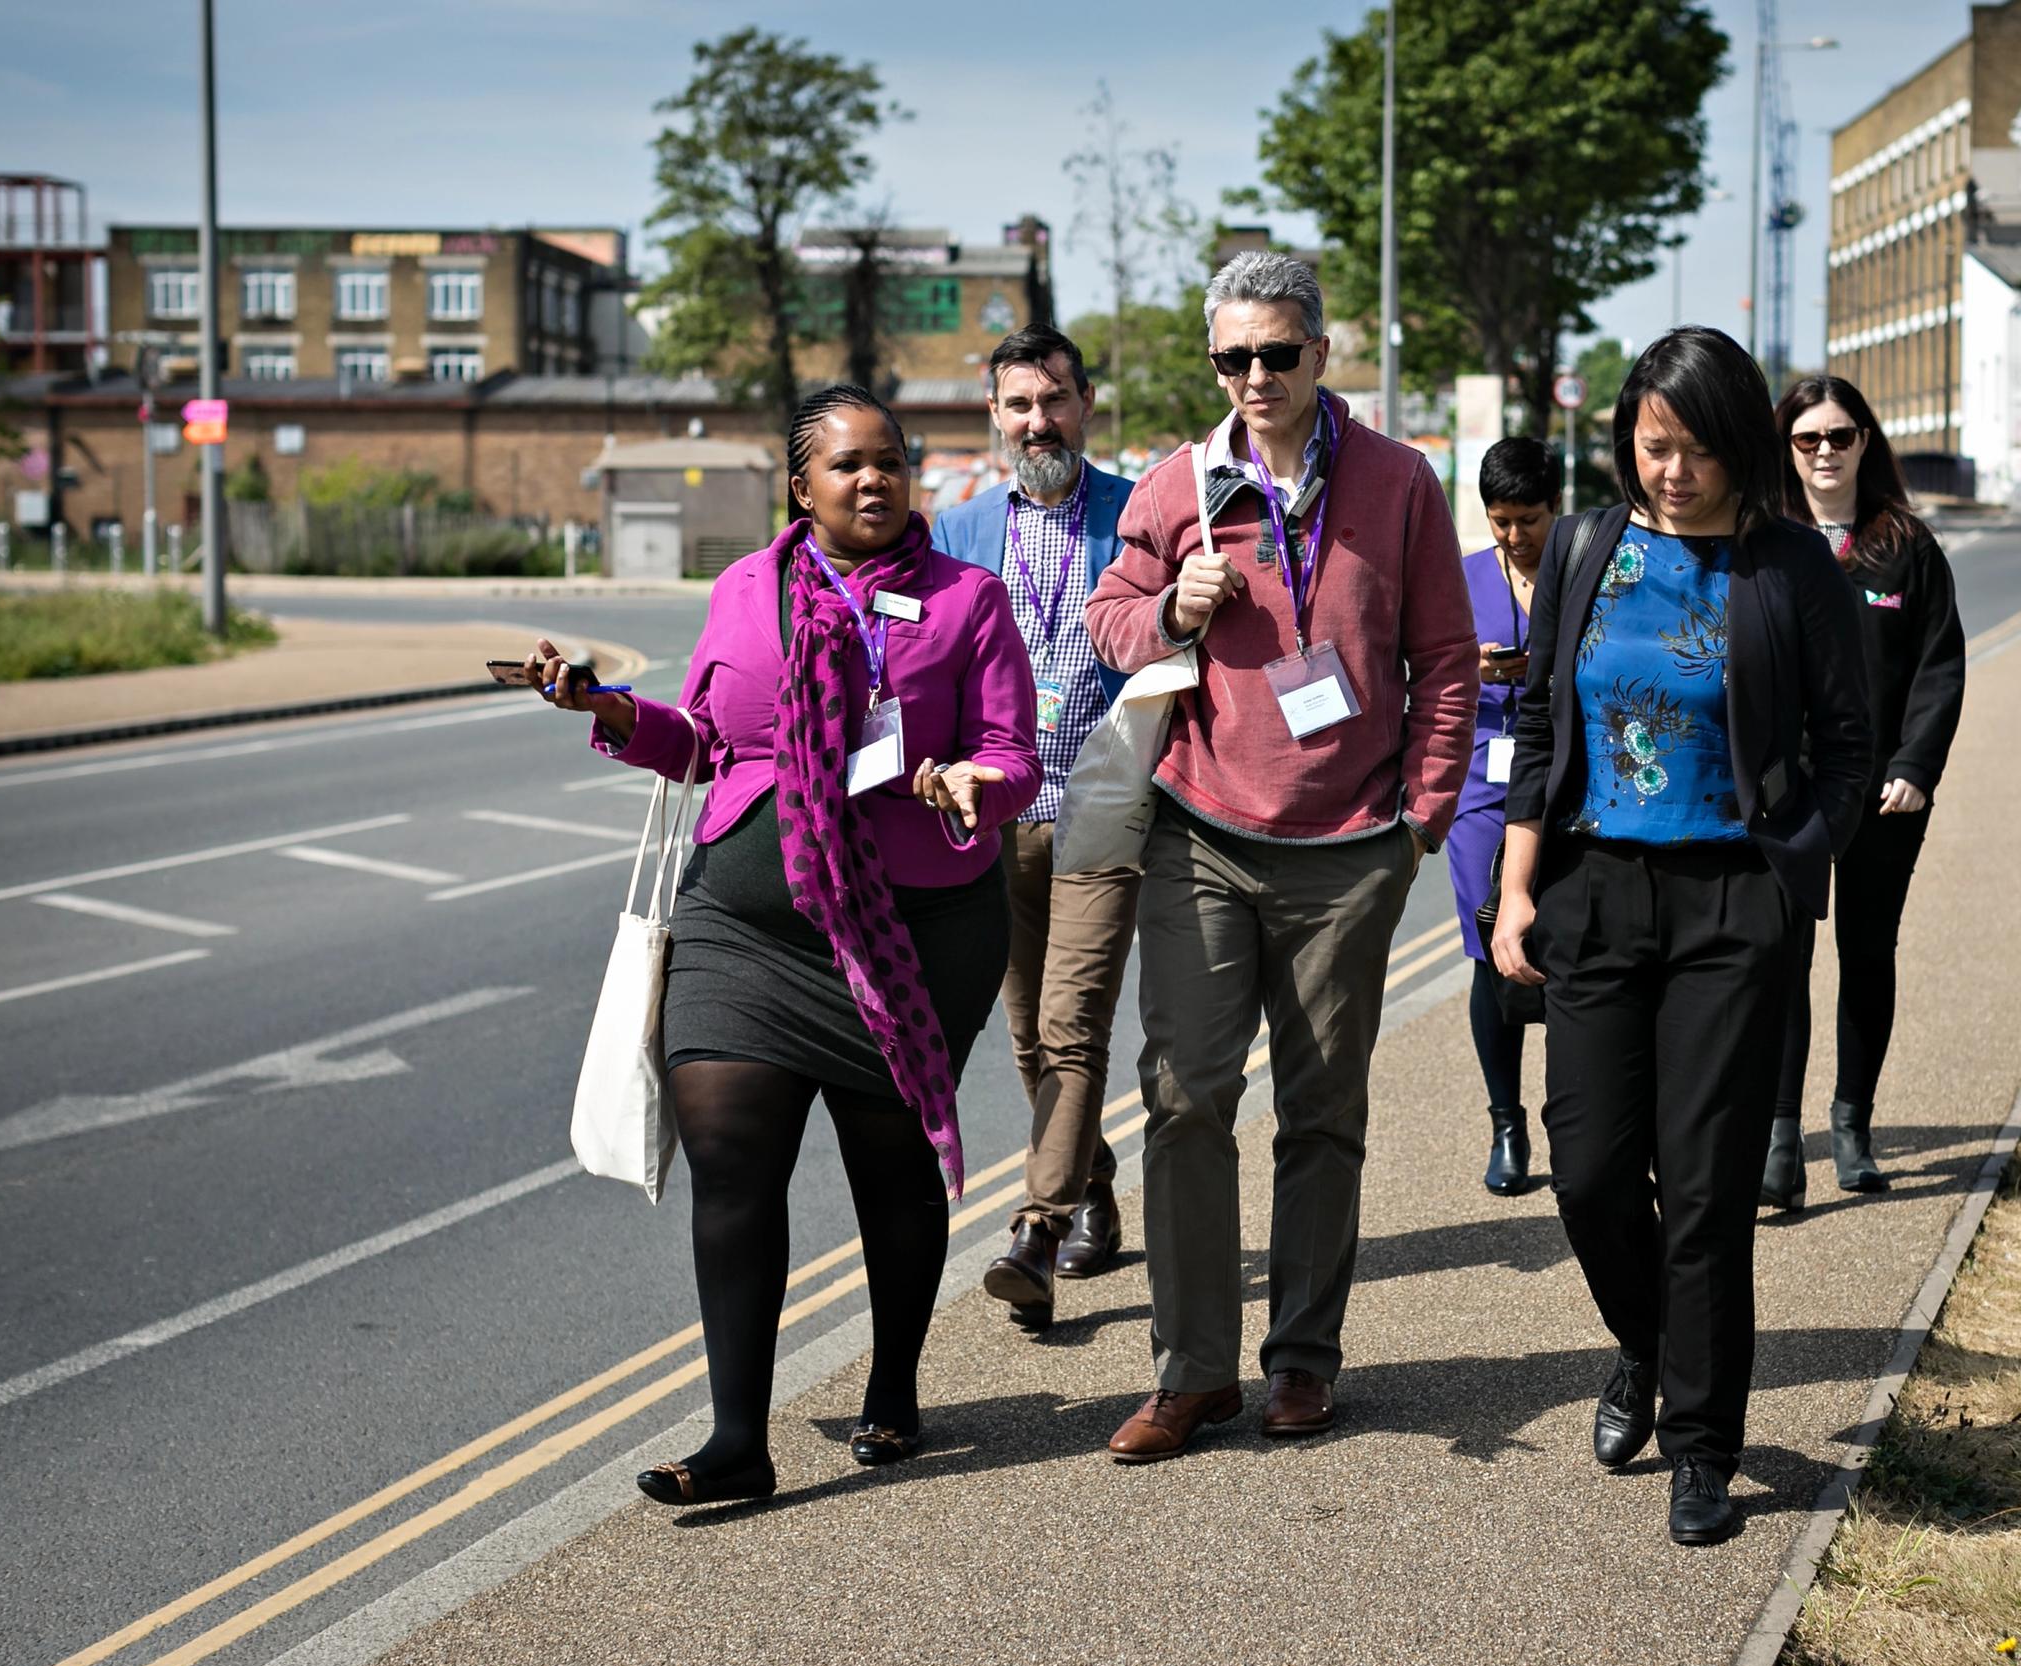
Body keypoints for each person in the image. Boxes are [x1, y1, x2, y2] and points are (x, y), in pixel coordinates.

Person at [525, 384, 1042, 1506]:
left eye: (890, 463)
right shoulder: (746, 588)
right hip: (742, 928)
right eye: (849, 465)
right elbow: (706, 741)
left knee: (890, 1171)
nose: (874, 481)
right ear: (799, 486)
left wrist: (973, 780)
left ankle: (895, 1382)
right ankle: (734, 1439)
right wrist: (609, 710)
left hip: (910, 935)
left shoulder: (967, 598)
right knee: (729, 1148)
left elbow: (1016, 754)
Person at [1084, 249, 1477, 1463]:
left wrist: (1420, 814)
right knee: (1185, 1095)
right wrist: (1171, 611)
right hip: (1201, 834)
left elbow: (1447, 662)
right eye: (1231, 357)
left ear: (1320, 352)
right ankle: (1191, 1370)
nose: (1253, 376)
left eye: (1275, 353)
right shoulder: (1178, 484)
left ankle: (1302, 1359)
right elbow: (1108, 619)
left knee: (1321, 1111)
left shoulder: (1402, 481)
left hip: (1349, 845)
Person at [1491, 327, 1872, 1545]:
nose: (1673, 472)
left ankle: (1705, 1443)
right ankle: (1642, 1345)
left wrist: (1788, 872)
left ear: (1743, 448)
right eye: (1655, 447)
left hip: (1728, 901)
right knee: (1592, 1165)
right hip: (1594, 888)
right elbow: (1542, 723)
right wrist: (1516, 889)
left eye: (1700, 451)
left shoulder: (1791, 566)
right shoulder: (1589, 549)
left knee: (1703, 1189)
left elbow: (1849, 746)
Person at [933, 325, 1140, 1328]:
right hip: (997, 816)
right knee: (1025, 1036)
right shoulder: (959, 528)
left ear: (1085, 403)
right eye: (1017, 405)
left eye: (1052, 400)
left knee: (1073, 1025)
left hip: (1102, 809)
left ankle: (1039, 1228)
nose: (1036, 421)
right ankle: (1093, 1180)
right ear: (994, 416)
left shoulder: (1136, 514)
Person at [1763, 376, 1966, 1208]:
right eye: (1806, 439)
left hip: (1884, 794)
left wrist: (1916, 766)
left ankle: (1852, 1126)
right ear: (1786, 449)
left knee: (1867, 953)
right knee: (1782, 961)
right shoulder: (1764, 542)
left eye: (1839, 437)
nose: (1823, 454)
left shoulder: (1905, 546)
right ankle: (1781, 1141)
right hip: (1792, 792)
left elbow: (1939, 667)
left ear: (1865, 443)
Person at [1452, 438, 1558, 1196]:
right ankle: (1505, 1124)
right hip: (1483, 783)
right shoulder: (1460, 579)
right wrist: (1475, 668)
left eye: (1528, 519)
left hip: (1566, 775)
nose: (1515, 536)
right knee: (1492, 944)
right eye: (1500, 522)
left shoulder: (1584, 567)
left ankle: (1573, 1117)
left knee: (1566, 942)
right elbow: (1416, 667)